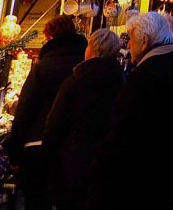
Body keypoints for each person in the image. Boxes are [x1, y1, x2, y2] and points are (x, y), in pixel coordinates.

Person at [93, 11, 173, 209]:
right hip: (166, 169)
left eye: (131, 39)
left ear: (145, 40)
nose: (129, 45)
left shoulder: (147, 73)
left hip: (138, 174)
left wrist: (101, 166)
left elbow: (123, 127)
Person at [6, 14, 87, 210]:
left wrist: (14, 153)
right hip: (74, 147)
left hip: (38, 144)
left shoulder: (43, 67)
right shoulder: (85, 66)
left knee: (37, 200)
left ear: (50, 37)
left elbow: (25, 111)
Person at [42, 28, 125, 210]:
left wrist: (46, 155)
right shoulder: (122, 81)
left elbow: (55, 123)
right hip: (106, 157)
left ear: (92, 49)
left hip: (73, 157)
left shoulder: (75, 80)